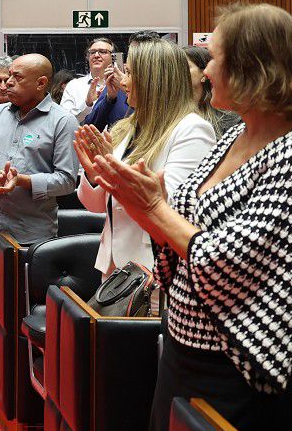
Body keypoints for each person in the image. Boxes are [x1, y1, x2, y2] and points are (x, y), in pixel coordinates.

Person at [85, 3, 292, 431]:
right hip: (188, 358)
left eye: (215, 59)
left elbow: (229, 258)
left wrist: (151, 205)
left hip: (249, 371)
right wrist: (139, 195)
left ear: (254, 68)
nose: (204, 71)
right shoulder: (235, 138)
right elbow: (183, 226)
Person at [0, 54, 79, 408]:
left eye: (17, 77)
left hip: (32, 236)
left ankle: (20, 390)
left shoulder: (62, 121)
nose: (7, 83)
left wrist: (23, 181)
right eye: (7, 76)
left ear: (41, 83)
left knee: (18, 315)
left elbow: (67, 180)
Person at [74, 37, 216, 278]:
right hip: (114, 268)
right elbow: (97, 206)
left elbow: (173, 208)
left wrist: (112, 169)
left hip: (153, 268)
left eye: (130, 73)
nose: (123, 81)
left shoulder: (191, 129)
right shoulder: (125, 127)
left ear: (155, 79)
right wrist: (94, 172)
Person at [183, 45, 240, 135]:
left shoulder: (229, 117)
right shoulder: (172, 110)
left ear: (204, 73)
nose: (178, 72)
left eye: (185, 67)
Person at [60, 36, 115, 119]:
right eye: (92, 52)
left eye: (102, 52)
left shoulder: (122, 84)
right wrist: (87, 104)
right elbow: (64, 121)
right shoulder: (73, 86)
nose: (96, 55)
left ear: (113, 57)